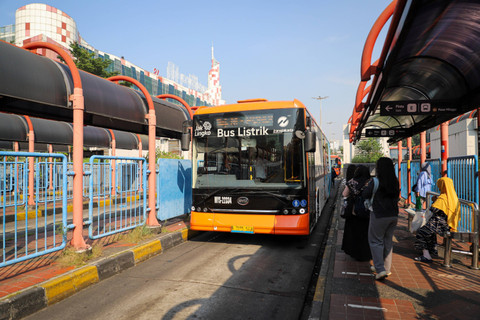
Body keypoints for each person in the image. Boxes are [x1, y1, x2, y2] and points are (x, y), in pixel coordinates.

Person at [363, 157, 399, 281]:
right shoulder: (395, 181)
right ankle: (386, 268)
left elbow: (365, 194)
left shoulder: (375, 181)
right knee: (388, 242)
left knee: (375, 241)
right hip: (393, 215)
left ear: (379, 168)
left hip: (379, 214)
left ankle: (380, 269)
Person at [414, 177, 460, 262]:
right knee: (430, 232)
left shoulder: (442, 198)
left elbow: (433, 209)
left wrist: (435, 200)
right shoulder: (454, 197)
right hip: (447, 224)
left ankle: (426, 255)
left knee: (421, 232)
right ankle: (432, 250)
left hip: (439, 224)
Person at [341, 165, 372, 261]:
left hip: (355, 211)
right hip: (367, 211)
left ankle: (355, 253)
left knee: (355, 233)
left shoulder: (351, 182)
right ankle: (366, 254)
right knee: (366, 233)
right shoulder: (371, 182)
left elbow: (344, 194)